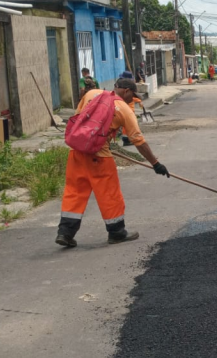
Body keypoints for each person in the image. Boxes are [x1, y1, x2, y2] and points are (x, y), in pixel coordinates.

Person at [56, 78, 169, 248]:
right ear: (126, 91)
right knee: (109, 194)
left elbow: (77, 120)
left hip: (77, 153)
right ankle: (116, 232)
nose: (132, 99)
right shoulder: (124, 109)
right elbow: (138, 141)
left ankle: (65, 233)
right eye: (132, 95)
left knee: (74, 192)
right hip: (100, 158)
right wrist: (155, 164)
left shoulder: (91, 94)